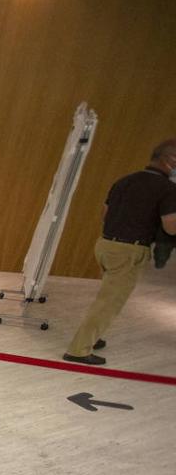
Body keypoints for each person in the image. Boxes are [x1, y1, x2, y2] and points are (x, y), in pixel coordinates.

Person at [63, 139, 176, 365]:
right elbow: (170, 226)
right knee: (110, 302)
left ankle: (93, 336)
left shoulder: (125, 180)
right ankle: (79, 349)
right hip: (129, 250)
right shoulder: (168, 189)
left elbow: (106, 213)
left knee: (107, 295)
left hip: (105, 245)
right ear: (169, 161)